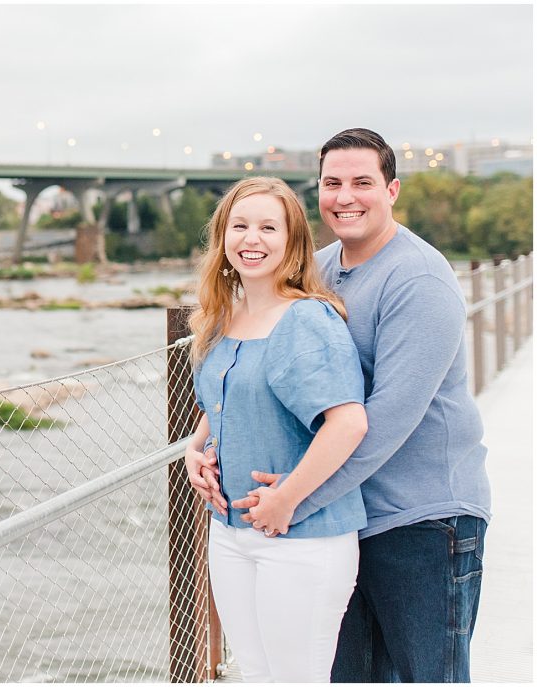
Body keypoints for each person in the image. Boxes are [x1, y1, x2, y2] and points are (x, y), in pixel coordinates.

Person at [192, 128, 491, 683]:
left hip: (421, 517)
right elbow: (257, 361)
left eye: (362, 182)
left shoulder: (419, 280)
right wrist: (205, 444)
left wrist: (290, 500)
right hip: (344, 512)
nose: (345, 196)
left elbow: (381, 424)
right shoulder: (318, 270)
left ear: (392, 189)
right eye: (332, 183)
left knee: (429, 676)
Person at [183, 176, 369, 682]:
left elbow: (348, 421)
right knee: (256, 676)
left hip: (302, 536)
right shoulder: (223, 317)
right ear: (222, 238)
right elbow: (230, 394)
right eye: (239, 226)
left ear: (292, 243)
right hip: (230, 533)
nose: (252, 238)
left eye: (268, 227)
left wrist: (286, 497)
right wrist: (194, 448)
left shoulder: (307, 319)